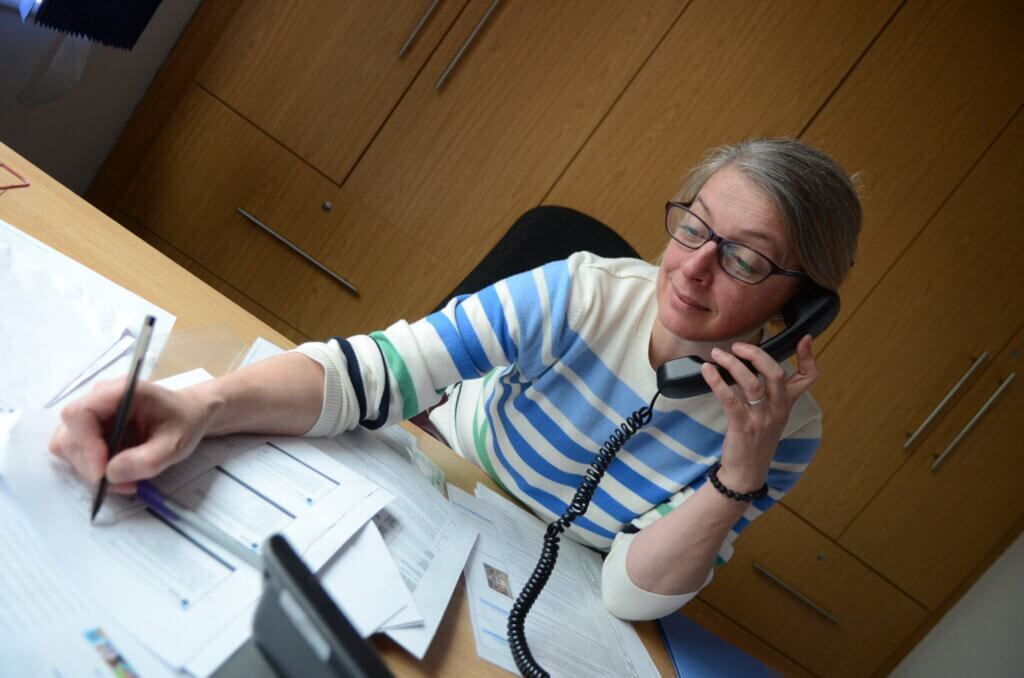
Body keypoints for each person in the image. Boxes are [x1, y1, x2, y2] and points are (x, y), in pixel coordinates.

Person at [50, 138, 861, 621]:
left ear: (803, 306)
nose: (692, 268)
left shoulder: (785, 430)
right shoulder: (581, 290)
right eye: (692, 227)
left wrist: (736, 477)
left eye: (745, 257)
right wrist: (200, 405)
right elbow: (382, 369)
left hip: (559, 586)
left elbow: (628, 594)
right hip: (447, 474)